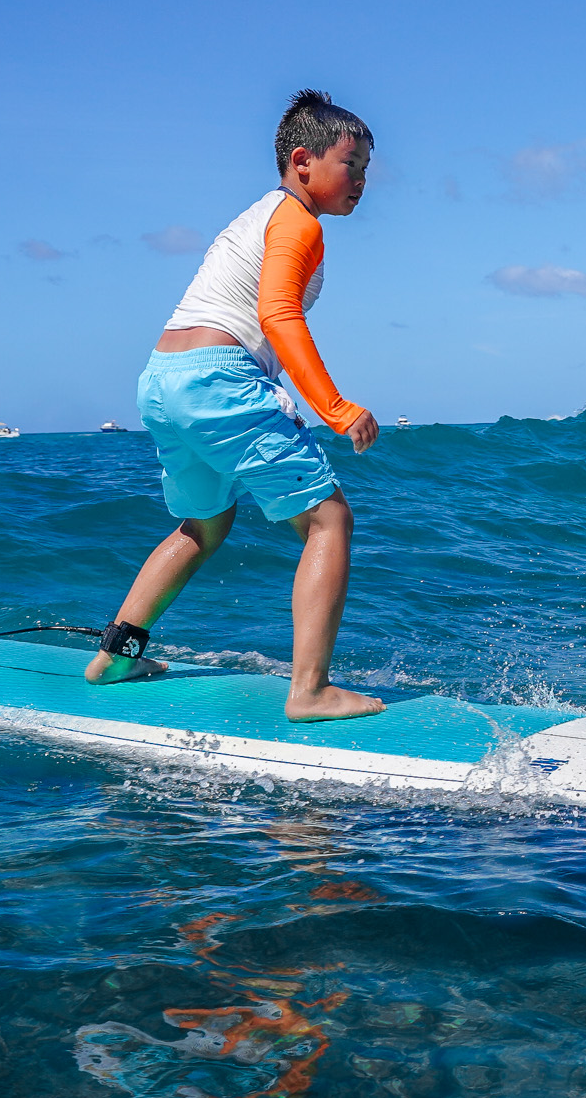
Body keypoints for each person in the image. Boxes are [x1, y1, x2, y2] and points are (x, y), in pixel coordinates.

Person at [84, 90, 385, 723]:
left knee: (204, 526)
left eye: (366, 166)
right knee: (329, 521)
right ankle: (309, 691)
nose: (362, 179)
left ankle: (115, 655)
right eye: (350, 163)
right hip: (219, 377)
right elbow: (277, 315)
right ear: (302, 161)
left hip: (165, 378)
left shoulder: (259, 216)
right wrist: (334, 408)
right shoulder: (296, 222)